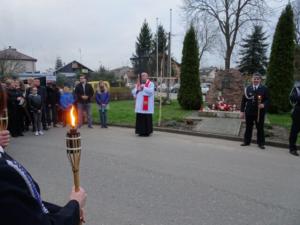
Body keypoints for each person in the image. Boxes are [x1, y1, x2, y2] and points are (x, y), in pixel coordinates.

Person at [0, 84, 87, 224]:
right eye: (2, 111)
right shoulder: (4, 174)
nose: (4, 116)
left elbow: (29, 206)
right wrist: (75, 204)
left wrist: (68, 211)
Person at [240, 72, 269, 149]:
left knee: (260, 128)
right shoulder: (248, 88)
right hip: (249, 111)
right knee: (248, 127)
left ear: (260, 80)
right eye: (254, 78)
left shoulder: (264, 88)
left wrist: (264, 104)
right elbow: (243, 101)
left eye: (257, 79)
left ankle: (261, 143)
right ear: (252, 79)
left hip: (259, 112)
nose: (256, 80)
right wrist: (242, 111)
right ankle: (246, 141)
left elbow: (267, 100)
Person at [132, 72, 155, 136]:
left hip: (147, 106)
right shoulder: (138, 84)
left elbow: (151, 91)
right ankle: (140, 132)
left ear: (147, 76)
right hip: (140, 105)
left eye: (144, 76)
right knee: (140, 118)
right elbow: (133, 92)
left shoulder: (151, 84)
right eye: (142, 76)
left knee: (146, 118)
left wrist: (144, 88)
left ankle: (147, 132)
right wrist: (137, 90)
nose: (143, 77)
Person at [289, 81, 300, 156]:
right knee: (294, 131)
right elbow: (292, 97)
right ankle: (292, 148)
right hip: (298, 113)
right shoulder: (297, 88)